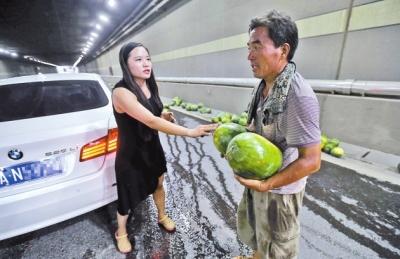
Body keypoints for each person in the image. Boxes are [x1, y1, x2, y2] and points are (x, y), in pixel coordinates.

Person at [111, 42, 216, 254]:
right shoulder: (121, 92)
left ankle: (162, 215)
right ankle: (120, 232)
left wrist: (163, 116)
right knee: (127, 197)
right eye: (138, 60)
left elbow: (152, 115)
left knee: (159, 184)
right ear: (125, 64)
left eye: (147, 58)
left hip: (152, 148)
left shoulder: (149, 84)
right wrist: (188, 131)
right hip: (131, 154)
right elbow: (149, 121)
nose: (145, 64)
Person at [233, 10, 321, 259]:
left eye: (257, 47)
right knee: (260, 234)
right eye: (249, 47)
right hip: (260, 179)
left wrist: (267, 184)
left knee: (279, 248)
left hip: (280, 193)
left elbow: (312, 160)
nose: (249, 56)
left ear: (283, 50)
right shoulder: (265, 85)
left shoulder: (297, 96)